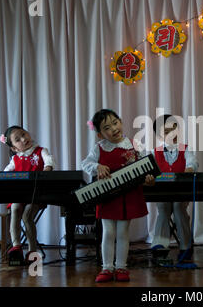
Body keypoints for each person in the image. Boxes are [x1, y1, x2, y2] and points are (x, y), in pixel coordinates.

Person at [81, 109, 154, 283]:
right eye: (107, 127)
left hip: (129, 194)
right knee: (108, 232)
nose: (113, 128)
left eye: (115, 123)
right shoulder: (99, 148)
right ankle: (107, 268)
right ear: (100, 135)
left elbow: (145, 166)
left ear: (120, 121)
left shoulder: (134, 144)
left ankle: (121, 267)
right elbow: (85, 163)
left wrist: (148, 178)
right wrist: (97, 167)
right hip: (107, 195)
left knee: (122, 232)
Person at [0, 126, 55, 263]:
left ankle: (32, 250)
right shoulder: (15, 159)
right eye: (18, 140)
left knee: (27, 214)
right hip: (20, 194)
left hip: (37, 195)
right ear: (14, 148)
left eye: (24, 134)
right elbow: (5, 173)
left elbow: (49, 160)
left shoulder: (41, 151)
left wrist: (47, 168)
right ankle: (16, 246)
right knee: (15, 208)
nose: (24, 139)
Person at [150, 114, 198, 261]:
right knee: (163, 208)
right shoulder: (155, 152)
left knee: (178, 207)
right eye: (166, 132)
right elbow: (150, 170)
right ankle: (160, 245)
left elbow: (192, 163)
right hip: (162, 192)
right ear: (160, 135)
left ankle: (185, 246)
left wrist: (190, 168)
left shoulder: (186, 149)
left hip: (181, 191)